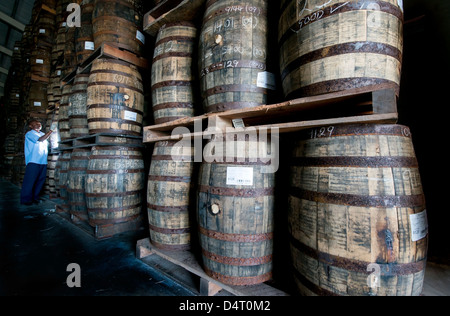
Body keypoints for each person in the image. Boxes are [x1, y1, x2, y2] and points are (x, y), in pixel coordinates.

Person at [20, 120, 53, 205]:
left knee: (40, 180)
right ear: (31, 126)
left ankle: (35, 198)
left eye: (39, 123)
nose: (38, 124)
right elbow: (40, 140)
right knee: (30, 181)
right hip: (33, 161)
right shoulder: (30, 133)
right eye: (35, 123)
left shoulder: (42, 134)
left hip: (43, 161)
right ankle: (26, 200)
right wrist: (50, 132)